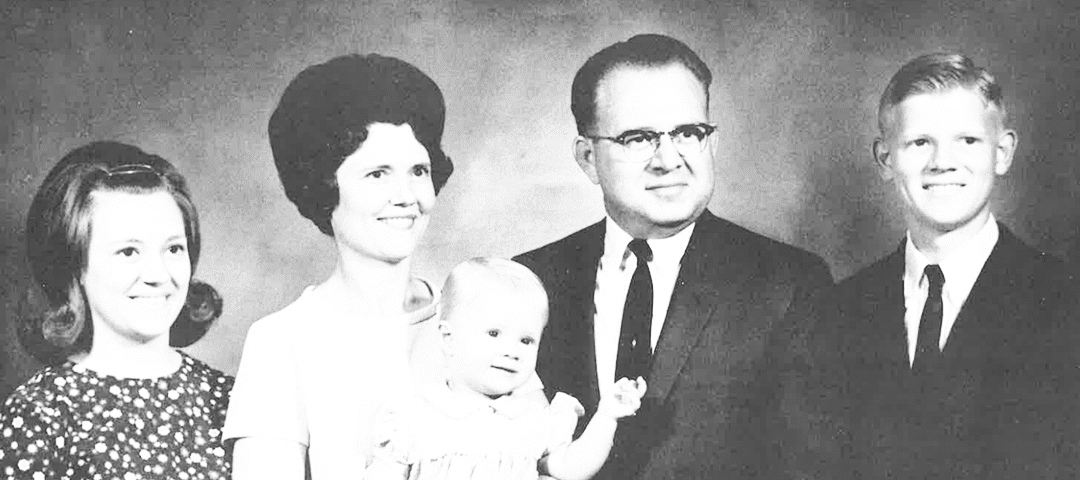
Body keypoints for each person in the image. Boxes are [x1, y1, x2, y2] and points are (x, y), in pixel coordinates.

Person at [513, 34, 833, 479]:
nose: (668, 159)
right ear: (587, 158)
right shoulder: (529, 281)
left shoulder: (788, 284)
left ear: (711, 144)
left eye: (688, 133)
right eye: (638, 138)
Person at [804, 53, 1080, 479]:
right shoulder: (839, 310)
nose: (942, 162)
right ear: (885, 159)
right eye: (919, 143)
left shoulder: (1063, 300)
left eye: (967, 140)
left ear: (1003, 152)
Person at [224, 53, 455, 480]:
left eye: (418, 171)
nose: (406, 196)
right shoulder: (282, 341)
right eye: (378, 174)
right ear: (323, 186)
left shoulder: (476, 316)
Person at [0, 141, 231, 479]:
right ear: (75, 266)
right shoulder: (40, 413)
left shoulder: (228, 398)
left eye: (173, 249)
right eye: (128, 252)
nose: (158, 275)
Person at [365, 258, 647, 480]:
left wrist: (607, 417)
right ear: (448, 338)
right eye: (494, 334)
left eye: (526, 340)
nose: (512, 351)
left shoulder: (534, 420)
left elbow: (573, 468)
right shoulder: (413, 418)